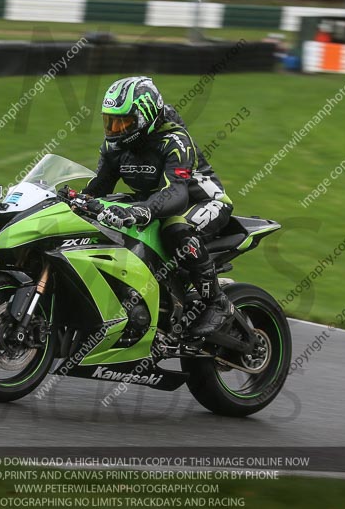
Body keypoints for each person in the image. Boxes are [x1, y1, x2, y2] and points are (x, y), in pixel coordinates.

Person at [82, 76, 235, 340]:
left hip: (202, 202)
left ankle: (217, 303)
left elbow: (176, 192)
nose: (116, 129)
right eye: (111, 121)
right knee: (104, 217)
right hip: (154, 200)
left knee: (175, 229)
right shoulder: (114, 146)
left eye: (124, 122)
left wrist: (141, 210)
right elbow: (99, 187)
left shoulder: (174, 140)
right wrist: (76, 201)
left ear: (146, 117)